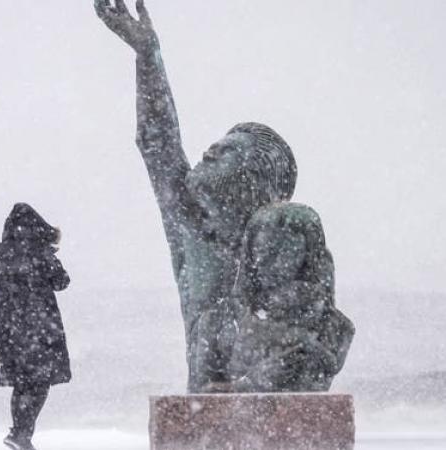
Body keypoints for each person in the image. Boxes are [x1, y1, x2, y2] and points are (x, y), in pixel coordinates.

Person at [94, 0, 297, 392]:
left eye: (227, 151)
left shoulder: (277, 239)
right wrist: (148, 55)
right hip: (208, 410)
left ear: (252, 178)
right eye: (215, 144)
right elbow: (157, 140)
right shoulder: (193, 227)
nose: (209, 151)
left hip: (260, 403)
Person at [228, 203, 355, 392]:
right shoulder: (223, 322)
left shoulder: (338, 327)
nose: (270, 263)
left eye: (285, 252)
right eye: (263, 252)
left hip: (298, 416)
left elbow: (319, 386)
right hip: (245, 415)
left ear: (307, 256)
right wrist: (253, 381)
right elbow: (204, 401)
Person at [0, 203, 71, 450]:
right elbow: (62, 282)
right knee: (40, 381)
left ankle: (18, 434)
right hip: (39, 325)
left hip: (5, 329)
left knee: (22, 381)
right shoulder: (40, 253)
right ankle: (22, 434)